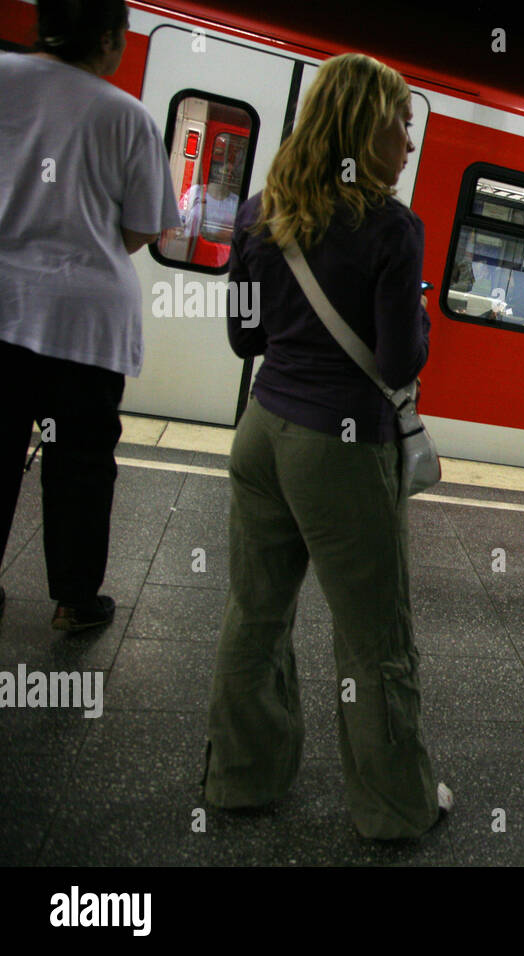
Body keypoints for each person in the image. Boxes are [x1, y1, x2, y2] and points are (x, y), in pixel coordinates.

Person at [203, 53, 451, 840]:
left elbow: (245, 333)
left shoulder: (254, 214)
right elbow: (396, 361)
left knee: (255, 614)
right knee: (376, 640)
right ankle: (396, 809)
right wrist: (422, 321)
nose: (408, 142)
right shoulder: (390, 228)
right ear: (360, 130)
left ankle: (242, 779)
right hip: (339, 449)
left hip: (261, 433)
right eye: (398, 125)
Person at [0, 0, 180, 629]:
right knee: (79, 465)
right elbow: (139, 229)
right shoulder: (124, 116)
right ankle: (75, 600)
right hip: (84, 324)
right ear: (107, 39)